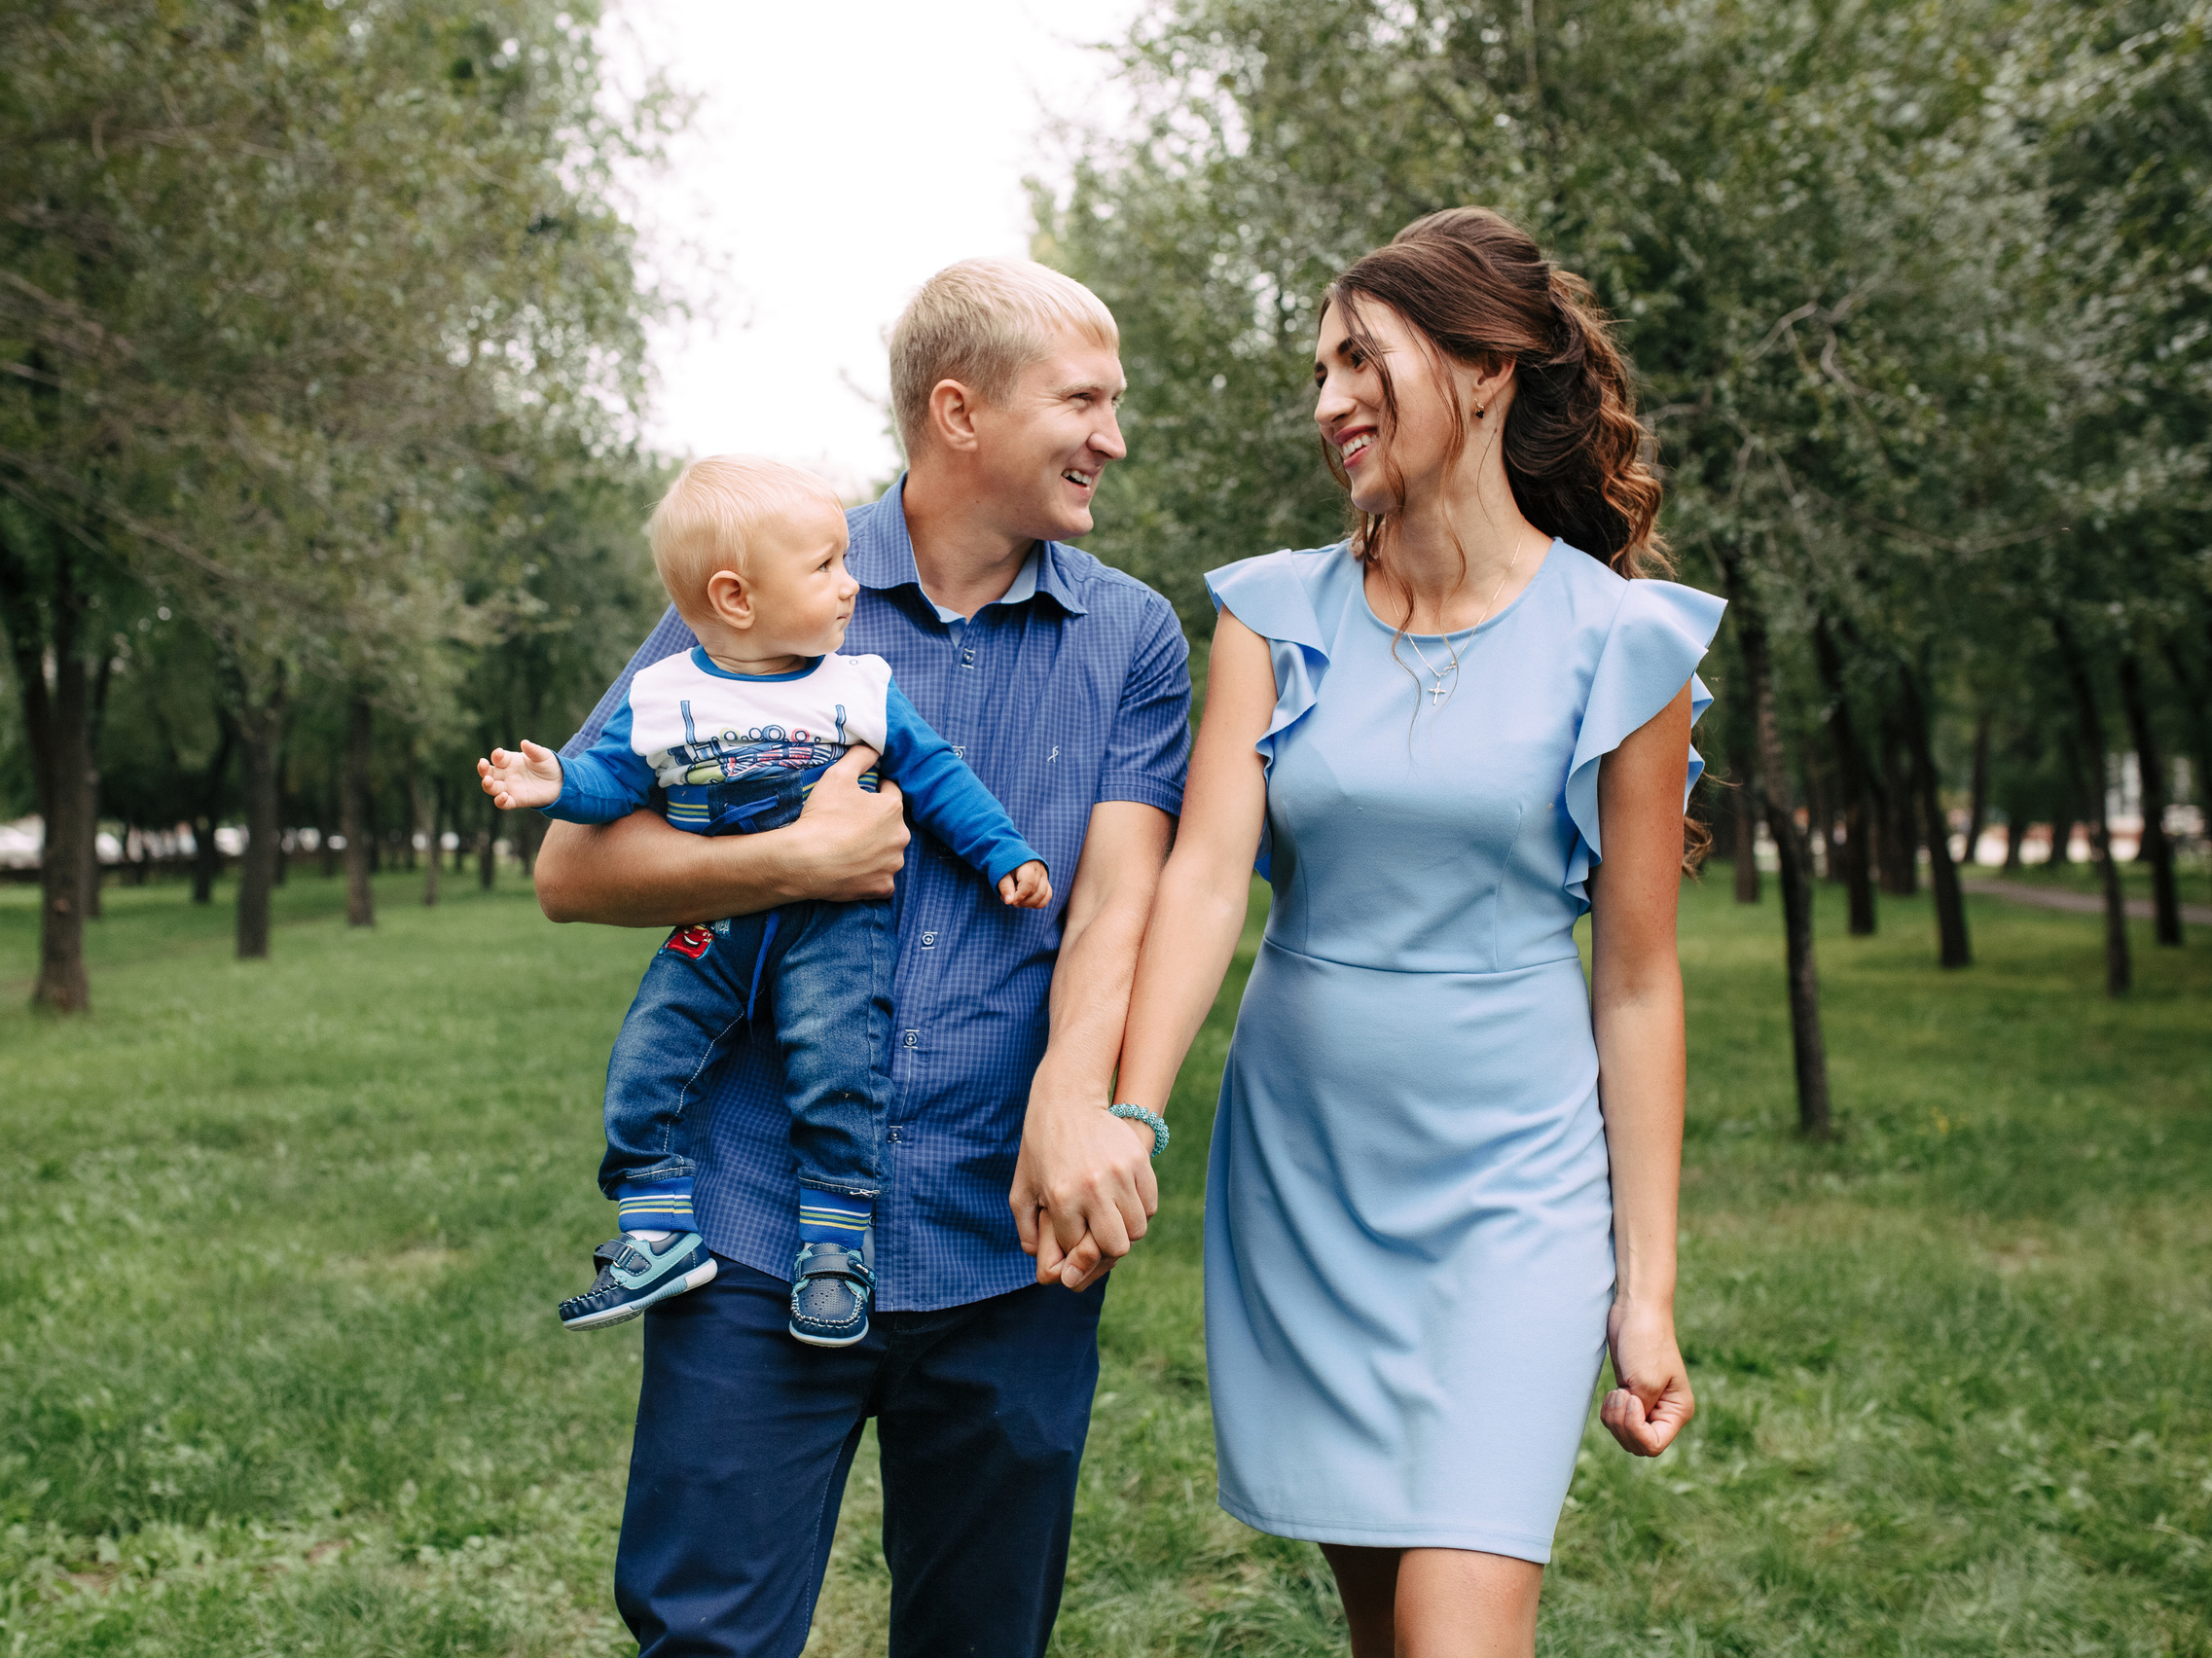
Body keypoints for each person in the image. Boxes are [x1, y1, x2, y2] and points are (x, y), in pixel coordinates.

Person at [533, 258, 1190, 1657]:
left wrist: (1081, 1102)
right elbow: (570, 865)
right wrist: (791, 863)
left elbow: (1116, 904)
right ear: (959, 411)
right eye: (1084, 400)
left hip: (1007, 1237)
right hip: (760, 1224)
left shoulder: (1130, 634)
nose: (1113, 438)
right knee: (708, 1634)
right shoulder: (764, 579)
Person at [1103, 207, 1714, 1655]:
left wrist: (1648, 1290)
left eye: (1362, 358)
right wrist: (1131, 1105)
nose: (1329, 401)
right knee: (1388, 1630)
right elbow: (1202, 882)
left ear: (1490, 367)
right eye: (1320, 367)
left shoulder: (1622, 641)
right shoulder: (1272, 616)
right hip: (1306, 1175)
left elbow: (1634, 981)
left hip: (1512, 1187)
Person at [475, 453, 1052, 1348]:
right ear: (736, 598)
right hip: (719, 922)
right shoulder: (666, 694)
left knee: (835, 1065)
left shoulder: (855, 685)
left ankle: (834, 1246)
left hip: (833, 931)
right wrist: (555, 783)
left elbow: (937, 776)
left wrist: (1002, 851)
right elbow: (611, 787)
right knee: (648, 1053)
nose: (852, 585)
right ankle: (658, 1227)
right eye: (824, 567)